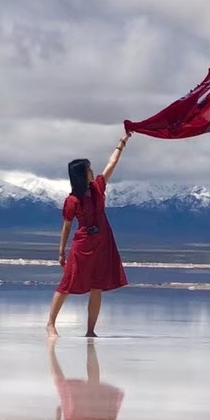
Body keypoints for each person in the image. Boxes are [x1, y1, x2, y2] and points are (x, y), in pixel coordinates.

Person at [45, 131, 130, 337]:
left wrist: (121, 144)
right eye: (88, 169)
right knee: (67, 282)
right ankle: (50, 324)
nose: (92, 171)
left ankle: (91, 330)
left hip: (103, 242)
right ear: (81, 175)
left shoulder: (98, 188)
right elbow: (66, 225)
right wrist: (61, 251)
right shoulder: (72, 200)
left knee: (97, 286)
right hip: (83, 244)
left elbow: (111, 165)